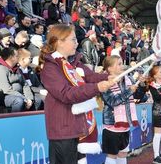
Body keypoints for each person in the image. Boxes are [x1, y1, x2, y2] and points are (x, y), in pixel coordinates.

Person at [38, 24, 115, 164]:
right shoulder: (51, 67)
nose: (77, 42)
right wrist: (97, 87)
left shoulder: (71, 63)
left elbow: (90, 76)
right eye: (73, 39)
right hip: (63, 129)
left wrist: (108, 77)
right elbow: (66, 94)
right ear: (59, 42)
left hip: (75, 127)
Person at [101, 55, 141, 164]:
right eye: (118, 64)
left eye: (122, 63)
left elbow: (141, 97)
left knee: (123, 153)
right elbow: (113, 101)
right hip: (112, 125)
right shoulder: (104, 82)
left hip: (125, 124)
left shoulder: (127, 79)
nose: (122, 66)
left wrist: (141, 85)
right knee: (112, 155)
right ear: (109, 68)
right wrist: (129, 91)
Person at [0, 47, 41, 112]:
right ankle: (14, 120)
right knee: (18, 101)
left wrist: (30, 98)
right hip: (3, 96)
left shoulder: (17, 70)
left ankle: (31, 121)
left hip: (19, 95)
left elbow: (25, 85)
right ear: (11, 58)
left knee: (37, 100)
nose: (18, 57)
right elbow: (7, 90)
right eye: (17, 56)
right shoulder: (0, 70)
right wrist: (25, 98)